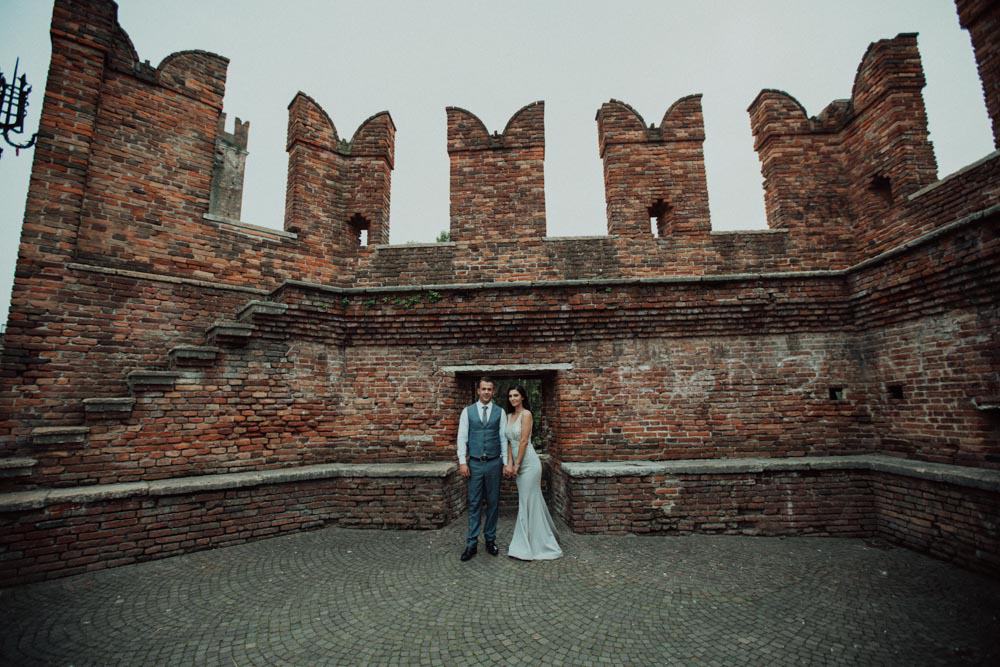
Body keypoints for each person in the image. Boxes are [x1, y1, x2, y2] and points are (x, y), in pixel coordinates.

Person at [505, 385, 562, 560]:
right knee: (528, 500)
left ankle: (534, 544)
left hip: (529, 463)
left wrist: (518, 464)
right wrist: (509, 463)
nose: (513, 398)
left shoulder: (527, 414)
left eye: (516, 395)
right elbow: (509, 442)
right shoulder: (508, 416)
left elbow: (523, 441)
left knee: (528, 500)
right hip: (516, 461)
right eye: (510, 396)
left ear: (522, 397)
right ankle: (533, 538)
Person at [456, 377, 509, 561]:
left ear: (493, 391)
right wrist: (462, 461)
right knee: (474, 503)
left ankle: (490, 540)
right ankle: (471, 544)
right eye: (483, 389)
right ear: (478, 390)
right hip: (475, 463)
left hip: (494, 463)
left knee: (493, 503)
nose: (486, 392)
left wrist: (505, 462)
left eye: (489, 389)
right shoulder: (467, 412)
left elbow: (503, 438)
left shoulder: (500, 412)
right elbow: (462, 437)